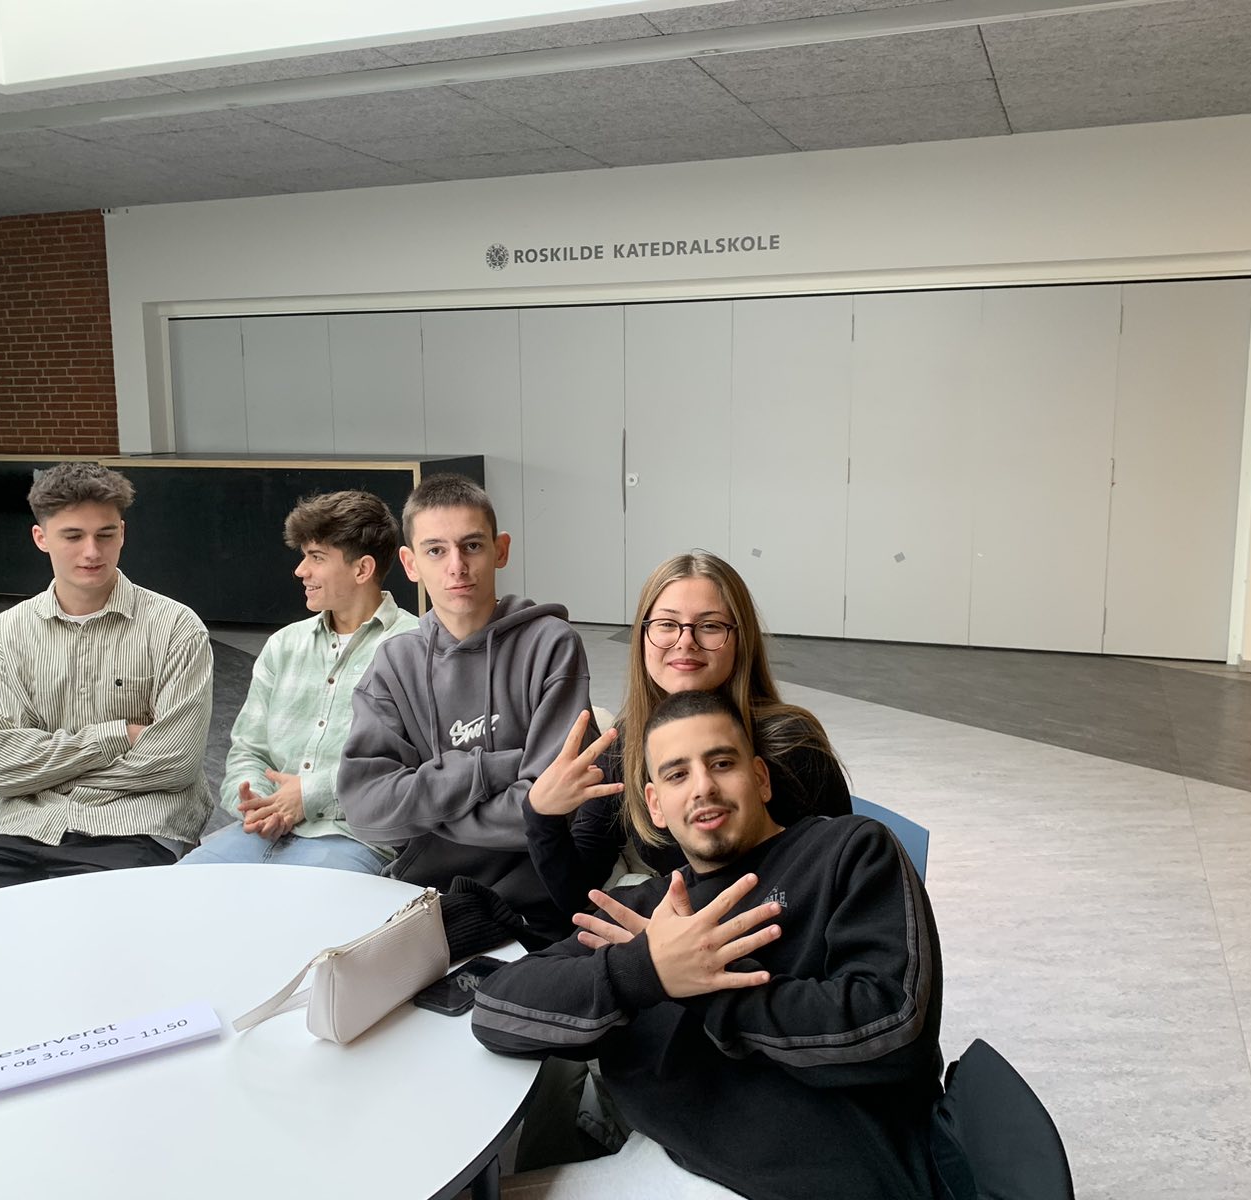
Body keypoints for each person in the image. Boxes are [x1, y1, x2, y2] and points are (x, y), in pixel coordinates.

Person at [474, 689, 943, 1200]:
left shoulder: (848, 851)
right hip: (667, 1164)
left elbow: (893, 1026)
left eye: (721, 763)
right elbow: (497, 1009)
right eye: (677, 775)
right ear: (656, 805)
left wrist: (705, 985)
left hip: (825, 1178)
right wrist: (644, 971)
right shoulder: (648, 912)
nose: (703, 787)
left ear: (760, 778)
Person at [0, 462, 213, 902]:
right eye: (73, 536)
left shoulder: (176, 628)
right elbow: (0, 768)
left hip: (133, 828)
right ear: (41, 538)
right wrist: (117, 736)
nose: (91, 552)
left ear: (122, 533)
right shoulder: (4, 636)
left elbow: (174, 762)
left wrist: (44, 773)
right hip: (22, 829)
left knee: (96, 925)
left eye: (105, 534)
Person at [336, 473, 595, 943]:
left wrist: (424, 810)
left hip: (531, 903)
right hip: (422, 896)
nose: (456, 566)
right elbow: (367, 811)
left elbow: (556, 811)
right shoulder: (395, 663)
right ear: (410, 564)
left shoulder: (551, 645)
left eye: (471, 546)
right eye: (436, 550)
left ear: (500, 550)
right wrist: (500, 769)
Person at [525, 551, 849, 918]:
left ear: (740, 638)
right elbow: (579, 895)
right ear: (643, 635)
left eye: (709, 626)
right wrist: (541, 814)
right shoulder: (626, 746)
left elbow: (840, 876)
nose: (685, 641)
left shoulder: (792, 743)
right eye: (667, 624)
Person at [181, 491, 417, 871]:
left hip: (352, 837)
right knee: (176, 892)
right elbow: (248, 750)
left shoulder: (414, 647)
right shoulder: (284, 645)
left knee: (300, 907)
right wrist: (258, 803)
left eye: (317, 557)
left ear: (362, 570)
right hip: (260, 832)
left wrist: (310, 796)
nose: (300, 570)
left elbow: (412, 768)